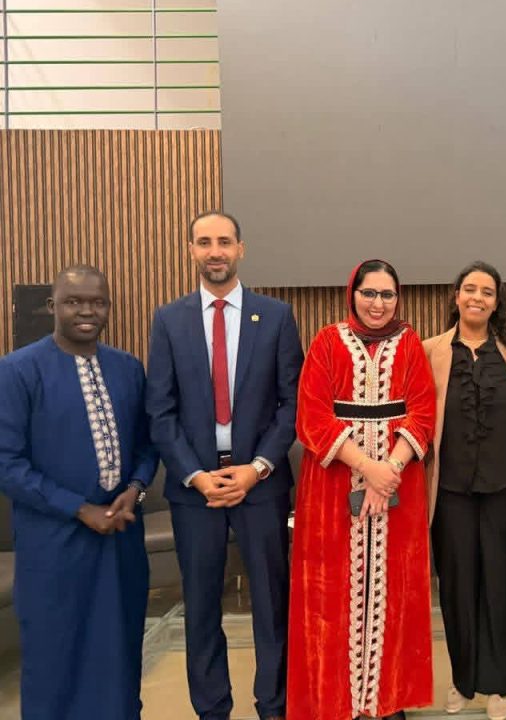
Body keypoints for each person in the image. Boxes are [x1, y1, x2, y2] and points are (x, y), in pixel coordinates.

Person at [146, 212, 303, 720]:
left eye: (224, 242)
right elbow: (160, 410)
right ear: (191, 250)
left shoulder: (275, 316)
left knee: (271, 605)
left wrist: (257, 467)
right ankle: (212, 709)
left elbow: (292, 404)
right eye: (204, 242)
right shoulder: (168, 320)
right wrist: (195, 475)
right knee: (201, 607)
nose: (215, 251)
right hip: (196, 490)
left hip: (260, 486)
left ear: (241, 249)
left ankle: (274, 706)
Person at [0, 265, 157, 719]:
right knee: (56, 654)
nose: (87, 311)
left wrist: (135, 488)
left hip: (120, 540)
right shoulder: (17, 371)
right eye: (74, 302)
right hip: (53, 544)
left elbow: (147, 445)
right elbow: (7, 463)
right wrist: (79, 508)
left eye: (97, 302)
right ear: (53, 306)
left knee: (120, 652)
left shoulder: (128, 368)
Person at [288, 259, 436, 720]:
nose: (377, 304)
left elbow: (423, 413)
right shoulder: (327, 342)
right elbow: (312, 417)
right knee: (331, 594)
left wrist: (388, 470)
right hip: (332, 486)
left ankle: (387, 699)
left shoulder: (409, 343)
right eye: (369, 293)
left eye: (387, 294)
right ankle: (338, 700)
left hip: (399, 484)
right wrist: (367, 468)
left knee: (396, 591)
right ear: (352, 294)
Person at [422, 261, 506, 720]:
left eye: (487, 292)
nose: (478, 298)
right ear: (456, 295)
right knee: (457, 587)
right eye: (470, 289)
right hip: (450, 490)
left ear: (497, 301)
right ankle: (463, 680)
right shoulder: (430, 350)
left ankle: (499, 684)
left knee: (502, 586)